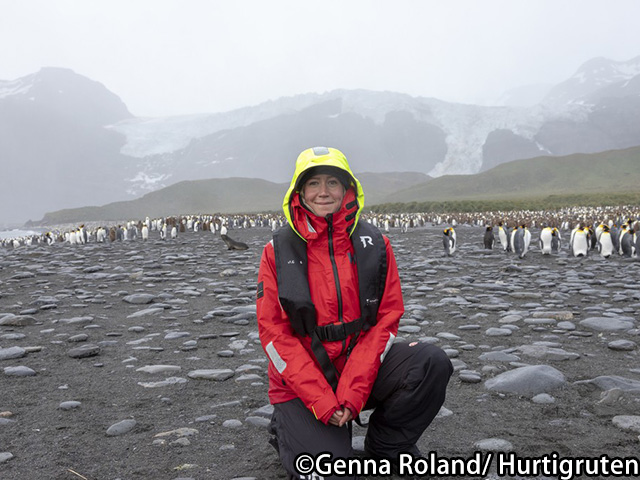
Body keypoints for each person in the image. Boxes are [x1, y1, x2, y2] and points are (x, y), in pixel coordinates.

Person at [257, 147, 453, 479]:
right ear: (299, 191)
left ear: (347, 188)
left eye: (332, 182)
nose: (323, 192)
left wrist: (351, 393)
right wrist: (322, 400)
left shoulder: (375, 245)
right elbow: (275, 336)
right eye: (313, 183)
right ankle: (288, 427)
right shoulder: (277, 251)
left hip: (356, 370)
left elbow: (386, 320)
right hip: (303, 384)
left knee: (430, 363)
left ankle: (388, 445)